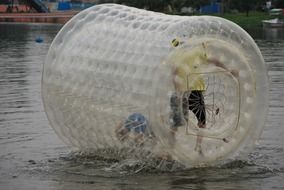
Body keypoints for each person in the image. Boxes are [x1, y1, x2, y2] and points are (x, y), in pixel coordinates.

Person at [170, 39, 238, 155]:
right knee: (201, 122)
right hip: (195, 93)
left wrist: (177, 92)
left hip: (179, 93)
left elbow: (174, 74)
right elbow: (215, 61)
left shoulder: (174, 56)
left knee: (176, 124)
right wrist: (229, 70)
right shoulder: (197, 52)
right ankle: (198, 148)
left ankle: (170, 148)